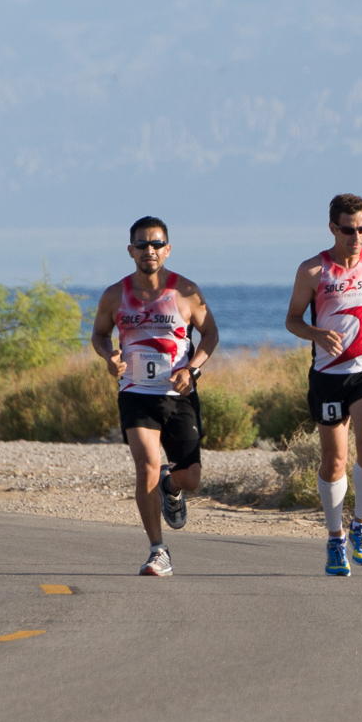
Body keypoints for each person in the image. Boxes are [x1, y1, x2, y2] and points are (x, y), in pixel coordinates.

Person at [90, 216, 219, 577]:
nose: (150, 250)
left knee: (191, 478)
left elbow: (210, 335)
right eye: (143, 244)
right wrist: (108, 357)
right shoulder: (115, 295)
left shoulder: (186, 291)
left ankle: (171, 484)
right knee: (145, 465)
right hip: (135, 393)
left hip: (177, 395)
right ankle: (158, 550)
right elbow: (100, 334)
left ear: (168, 248)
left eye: (157, 244)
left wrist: (191, 369)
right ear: (130, 250)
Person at [284, 193, 362, 577]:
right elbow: (293, 320)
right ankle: (334, 538)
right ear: (333, 227)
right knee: (333, 459)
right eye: (349, 229)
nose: (357, 237)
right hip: (329, 374)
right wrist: (317, 333)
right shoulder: (313, 271)